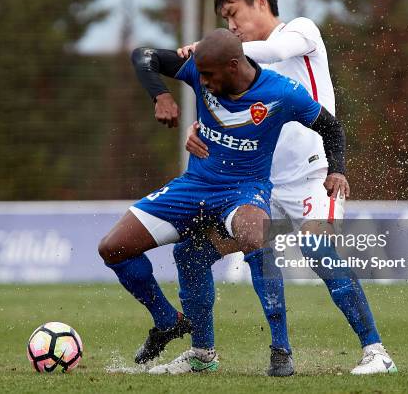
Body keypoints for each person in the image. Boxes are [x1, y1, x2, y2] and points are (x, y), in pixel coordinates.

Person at [149, 0, 396, 376]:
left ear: (261, 2)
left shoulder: (300, 32)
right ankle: (202, 355)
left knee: (319, 251)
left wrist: (213, 51)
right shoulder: (239, 68)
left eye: (233, 14)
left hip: (315, 176)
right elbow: (226, 109)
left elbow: (275, 50)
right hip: (256, 188)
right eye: (225, 21)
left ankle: (376, 353)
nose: (230, 25)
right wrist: (200, 130)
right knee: (191, 253)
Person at [98, 28, 348, 377]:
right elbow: (143, 56)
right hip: (194, 186)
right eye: (199, 74)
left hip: (244, 189)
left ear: (234, 66)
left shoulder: (280, 92)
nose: (201, 81)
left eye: (209, 75)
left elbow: (331, 127)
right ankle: (168, 321)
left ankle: (280, 349)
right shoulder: (199, 71)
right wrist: (160, 95)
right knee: (113, 247)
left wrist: (336, 170)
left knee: (254, 234)